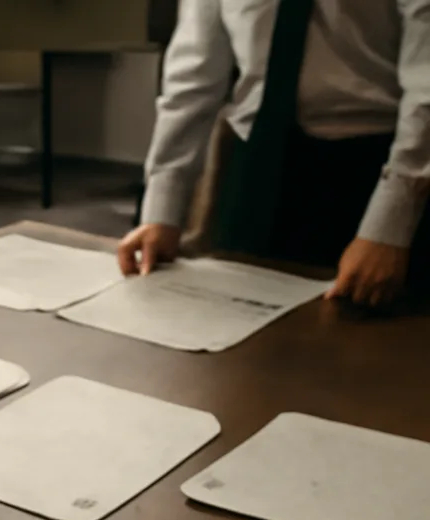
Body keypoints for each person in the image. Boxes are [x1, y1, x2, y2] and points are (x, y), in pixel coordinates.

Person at [119, 0, 430, 308]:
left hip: (370, 171)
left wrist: (389, 228)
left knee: (363, 345)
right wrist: (162, 212)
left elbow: (425, 88)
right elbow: (192, 77)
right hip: (252, 169)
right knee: (228, 329)